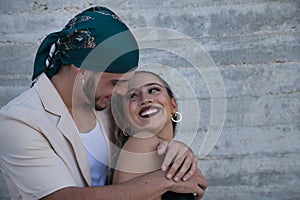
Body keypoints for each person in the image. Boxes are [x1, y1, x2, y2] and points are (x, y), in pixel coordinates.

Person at [0, 6, 207, 200]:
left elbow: (144, 141)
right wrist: (165, 181)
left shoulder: (106, 106)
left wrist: (178, 152)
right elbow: (61, 197)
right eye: (116, 82)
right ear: (81, 70)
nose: (122, 93)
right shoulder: (18, 122)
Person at [112, 71, 203, 199]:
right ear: (125, 119)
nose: (145, 99)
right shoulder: (142, 142)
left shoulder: (165, 150)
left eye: (153, 90)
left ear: (173, 105)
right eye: (132, 95)